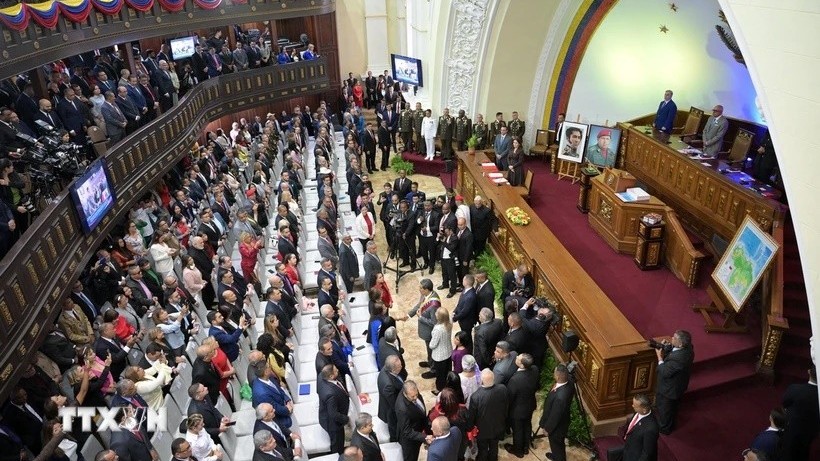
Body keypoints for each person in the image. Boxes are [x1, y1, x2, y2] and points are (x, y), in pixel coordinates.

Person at [654, 329, 694, 434]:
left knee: (665, 410)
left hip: (669, 390)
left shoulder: (679, 359)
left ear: (680, 344)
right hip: (678, 386)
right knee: (671, 409)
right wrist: (668, 347)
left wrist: (659, 357)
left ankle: (664, 429)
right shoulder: (689, 348)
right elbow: (674, 351)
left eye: (674, 338)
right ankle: (669, 424)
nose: (672, 338)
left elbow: (665, 372)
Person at [467, 370, 508, 461]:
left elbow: (472, 416)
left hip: (482, 430)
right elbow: (506, 406)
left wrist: (469, 428)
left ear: (481, 380)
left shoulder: (475, 396)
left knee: (483, 449)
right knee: (494, 446)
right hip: (498, 426)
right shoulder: (503, 389)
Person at [781, 366, 819, 461]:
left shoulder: (795, 389)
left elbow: (785, 403)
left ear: (809, 372)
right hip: (813, 428)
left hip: (793, 426)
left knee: (788, 449)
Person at [538, 364, 575, 461]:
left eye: (554, 373)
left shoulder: (560, 397)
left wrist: (547, 429)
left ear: (558, 376)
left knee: (556, 445)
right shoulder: (569, 381)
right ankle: (556, 455)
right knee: (558, 446)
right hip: (563, 420)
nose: (553, 375)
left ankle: (559, 458)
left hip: (557, 428)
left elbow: (555, 416)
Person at [505, 353, 539, 458]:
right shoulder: (535, 370)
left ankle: (518, 451)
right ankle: (525, 447)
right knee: (527, 425)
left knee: (518, 430)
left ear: (522, 365)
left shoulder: (515, 380)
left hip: (517, 410)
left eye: (518, 358)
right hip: (530, 405)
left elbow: (510, 397)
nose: (515, 358)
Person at [607, 394, 659, 461]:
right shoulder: (638, 412)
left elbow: (647, 453)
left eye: (635, 406)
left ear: (644, 410)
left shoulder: (651, 429)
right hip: (629, 448)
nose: (632, 406)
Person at [408, 278, 441, 376]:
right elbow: (419, 305)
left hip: (430, 332)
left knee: (432, 350)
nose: (419, 290)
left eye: (421, 288)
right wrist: (409, 315)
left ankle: (433, 370)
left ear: (427, 289)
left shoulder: (434, 304)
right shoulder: (425, 295)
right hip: (426, 331)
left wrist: (421, 317)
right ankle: (430, 363)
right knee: (428, 349)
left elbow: (434, 322)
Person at [317, 364, 349, 454]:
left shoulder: (321, 376)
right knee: (337, 444)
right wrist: (346, 419)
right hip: (333, 424)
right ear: (331, 376)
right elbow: (333, 414)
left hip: (329, 411)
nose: (338, 370)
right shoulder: (330, 394)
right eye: (335, 370)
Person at [395, 380, 430, 461]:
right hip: (410, 441)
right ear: (405, 394)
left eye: (416, 394)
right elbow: (407, 431)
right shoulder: (402, 409)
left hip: (418, 427)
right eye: (412, 397)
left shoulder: (412, 392)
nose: (415, 398)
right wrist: (424, 436)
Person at [378, 355, 405, 441]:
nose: (401, 367)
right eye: (399, 366)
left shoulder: (386, 368)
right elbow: (394, 405)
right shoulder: (388, 385)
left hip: (388, 403)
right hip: (391, 413)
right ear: (393, 369)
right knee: (395, 431)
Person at [429, 308, 454, 392]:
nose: (435, 313)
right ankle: (448, 386)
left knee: (440, 374)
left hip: (439, 356)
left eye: (436, 313)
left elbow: (433, 345)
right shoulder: (449, 322)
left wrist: (430, 344)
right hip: (448, 351)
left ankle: (440, 389)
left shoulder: (438, 329)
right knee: (447, 372)